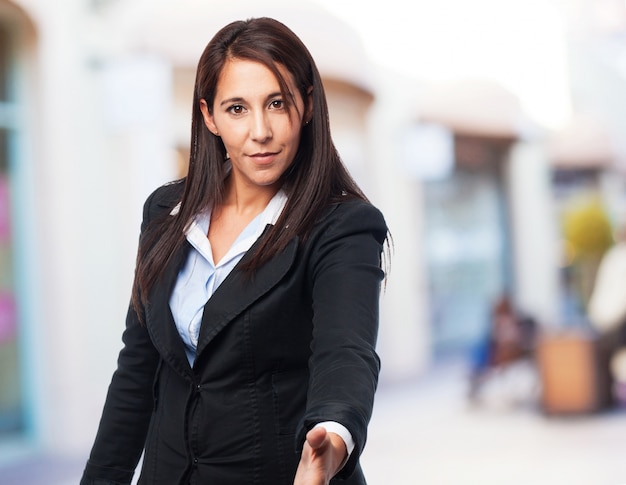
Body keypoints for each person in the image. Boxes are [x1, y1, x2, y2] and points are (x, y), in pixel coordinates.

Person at [80, 17, 389, 485]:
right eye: (237, 108)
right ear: (209, 116)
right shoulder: (166, 211)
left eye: (277, 103)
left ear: (306, 105)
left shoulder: (343, 227)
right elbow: (137, 369)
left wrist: (334, 435)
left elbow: (345, 352)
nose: (260, 130)